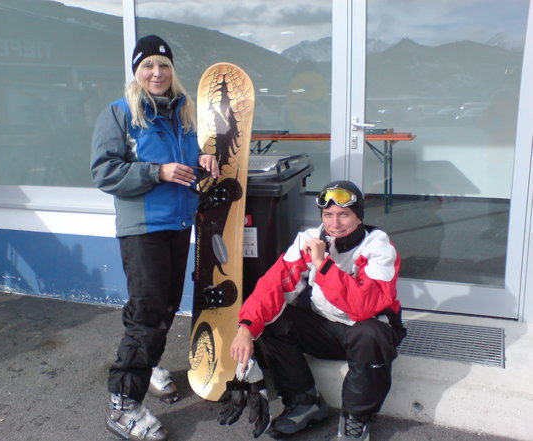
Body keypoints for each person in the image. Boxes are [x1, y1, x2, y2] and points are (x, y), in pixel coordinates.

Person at [90, 34, 218, 441]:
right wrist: (156, 172)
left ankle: (151, 365)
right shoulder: (120, 113)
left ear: (172, 70)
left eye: (163, 65)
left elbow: (189, 160)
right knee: (147, 314)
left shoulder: (185, 113)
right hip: (142, 228)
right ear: (136, 71)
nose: (156, 73)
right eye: (148, 65)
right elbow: (104, 172)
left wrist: (203, 156)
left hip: (179, 224)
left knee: (162, 308)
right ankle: (122, 405)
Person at [227, 180, 406, 440]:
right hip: (327, 329)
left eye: (344, 214)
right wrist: (245, 328)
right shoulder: (308, 241)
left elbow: (364, 306)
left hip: (366, 333)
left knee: (371, 333)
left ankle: (356, 418)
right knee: (273, 320)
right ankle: (304, 403)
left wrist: (322, 265)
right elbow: (272, 285)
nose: (334, 224)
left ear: (359, 218)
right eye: (328, 215)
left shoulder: (378, 246)